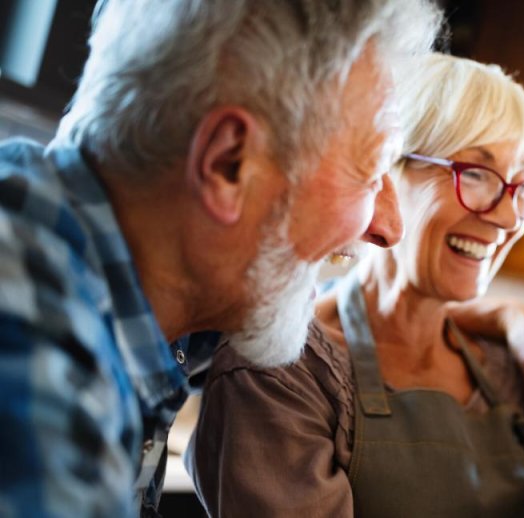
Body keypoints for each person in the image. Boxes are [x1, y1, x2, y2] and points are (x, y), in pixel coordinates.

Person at [0, 0, 440, 515]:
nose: (389, 227)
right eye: (370, 169)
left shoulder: (154, 295)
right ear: (230, 164)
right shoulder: (34, 361)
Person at [187, 53, 524, 517]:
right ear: (386, 170)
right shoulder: (280, 366)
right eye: (475, 174)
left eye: (523, 186)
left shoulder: (515, 368)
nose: (508, 218)